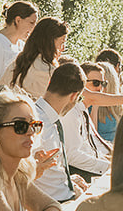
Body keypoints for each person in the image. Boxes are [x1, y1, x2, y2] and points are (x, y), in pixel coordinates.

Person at [32, 63, 91, 203]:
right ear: (74, 96)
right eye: (79, 99)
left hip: (65, 195)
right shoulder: (37, 122)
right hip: (55, 203)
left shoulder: (45, 117)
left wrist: (69, 180)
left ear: (50, 83)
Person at [0, 1, 38, 93]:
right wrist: (11, 93)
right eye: (31, 23)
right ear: (18, 20)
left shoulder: (21, 45)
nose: (34, 28)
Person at [3, 17, 68, 99]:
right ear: (50, 42)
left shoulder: (18, 61)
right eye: (62, 42)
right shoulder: (48, 71)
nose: (63, 48)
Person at [87, 61, 123, 143]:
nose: (100, 87)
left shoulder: (121, 105)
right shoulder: (89, 106)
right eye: (96, 83)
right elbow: (92, 137)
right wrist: (95, 105)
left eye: (103, 83)